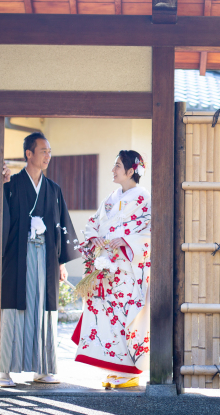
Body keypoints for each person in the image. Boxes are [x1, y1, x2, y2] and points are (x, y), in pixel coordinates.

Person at [0, 132, 79, 388]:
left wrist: (61, 263)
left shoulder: (53, 189)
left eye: (49, 151)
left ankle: (43, 369)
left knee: (43, 309)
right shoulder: (12, 183)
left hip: (45, 257)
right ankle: (4, 370)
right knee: (14, 308)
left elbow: (59, 226)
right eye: (43, 150)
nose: (48, 155)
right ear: (28, 154)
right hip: (17, 257)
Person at [71, 150, 151, 389]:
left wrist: (126, 241)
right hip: (108, 268)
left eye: (117, 166)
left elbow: (150, 231)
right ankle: (114, 368)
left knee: (127, 317)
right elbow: (93, 222)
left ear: (130, 171)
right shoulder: (111, 197)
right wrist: (94, 237)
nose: (113, 170)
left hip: (128, 269)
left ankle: (130, 371)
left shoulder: (144, 199)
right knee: (108, 317)